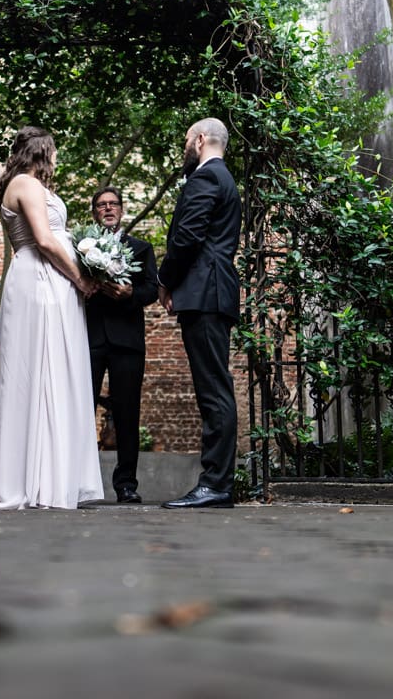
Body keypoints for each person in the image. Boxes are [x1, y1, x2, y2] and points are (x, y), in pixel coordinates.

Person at [0, 127, 104, 510]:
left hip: (45, 280)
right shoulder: (25, 184)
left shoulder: (20, 184)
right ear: (42, 152)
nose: (56, 160)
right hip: (42, 282)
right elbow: (43, 240)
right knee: (38, 373)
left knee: (50, 374)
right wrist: (80, 278)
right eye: (53, 153)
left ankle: (45, 478)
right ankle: (32, 481)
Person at [158, 117, 241, 509]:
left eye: (185, 141)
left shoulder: (205, 178)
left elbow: (188, 237)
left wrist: (165, 280)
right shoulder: (223, 179)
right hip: (212, 293)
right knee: (214, 387)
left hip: (205, 293)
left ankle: (216, 485)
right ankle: (217, 482)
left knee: (213, 391)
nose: (184, 149)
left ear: (201, 140)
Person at [84, 186, 159, 504]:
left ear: (122, 210)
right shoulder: (80, 248)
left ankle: (126, 484)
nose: (108, 208)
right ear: (94, 213)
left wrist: (131, 295)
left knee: (128, 413)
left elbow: (151, 290)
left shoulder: (141, 248)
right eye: (101, 205)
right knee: (80, 409)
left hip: (127, 340)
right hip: (88, 338)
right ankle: (76, 481)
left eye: (113, 203)